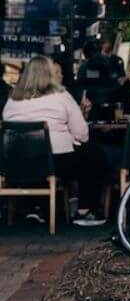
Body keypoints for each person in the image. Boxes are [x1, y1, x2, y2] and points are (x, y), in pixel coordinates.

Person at [3, 56, 110, 226]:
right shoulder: (61, 95)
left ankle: (35, 209)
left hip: (17, 160)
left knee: (35, 162)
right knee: (94, 157)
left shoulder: (13, 98)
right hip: (57, 160)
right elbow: (82, 133)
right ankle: (84, 211)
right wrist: (71, 137)